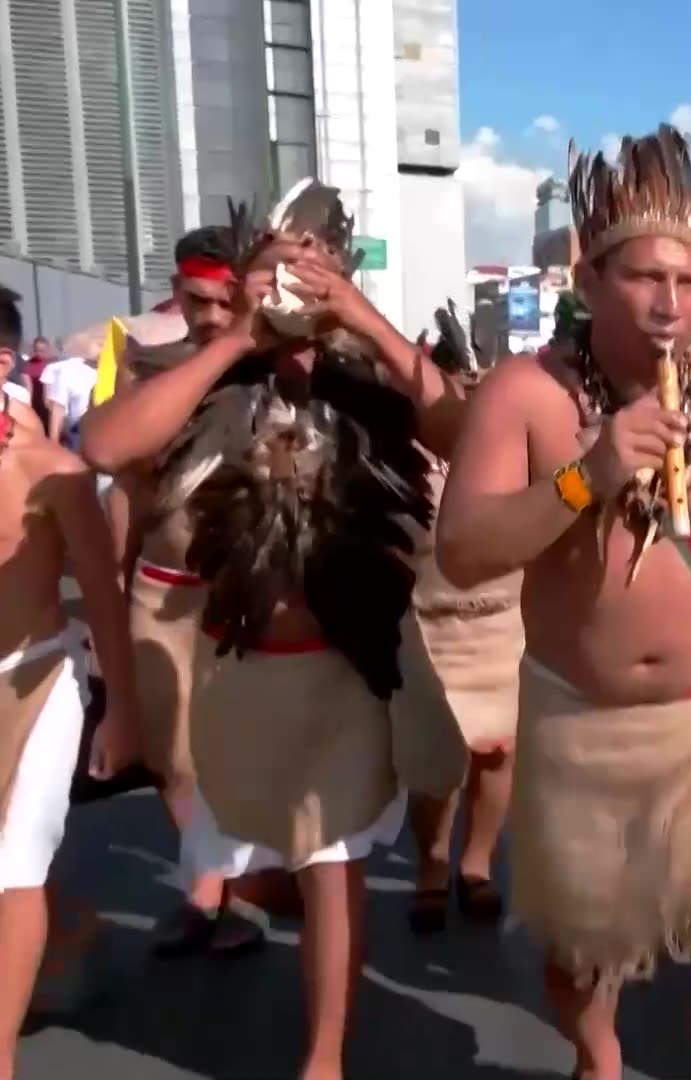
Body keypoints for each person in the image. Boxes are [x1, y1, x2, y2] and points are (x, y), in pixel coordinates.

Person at [434, 125, 691, 1080]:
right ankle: (599, 1056)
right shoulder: (524, 397)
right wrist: (588, 475)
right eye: (646, 279)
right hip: (579, 720)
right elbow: (463, 550)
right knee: (578, 955)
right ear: (589, 277)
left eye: (689, 283)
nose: (671, 303)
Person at [79, 182, 464, 1080]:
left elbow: (467, 426)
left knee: (333, 863)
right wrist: (239, 343)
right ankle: (233, 904)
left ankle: (321, 1057)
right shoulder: (206, 376)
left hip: (349, 673)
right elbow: (103, 446)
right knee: (257, 840)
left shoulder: (368, 377)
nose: (291, 290)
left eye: (308, 273)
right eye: (271, 275)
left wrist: (363, 319)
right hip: (239, 671)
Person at [82, 226, 272, 956]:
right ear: (177, 290)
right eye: (198, 300)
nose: (215, 317)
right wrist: (114, 582)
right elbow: (124, 484)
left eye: (228, 301)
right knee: (168, 756)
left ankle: (232, 889)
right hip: (160, 594)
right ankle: (209, 880)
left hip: (248, 598)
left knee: (245, 753)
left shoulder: (279, 372)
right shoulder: (150, 369)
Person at [0, 287, 138, 1080]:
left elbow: (104, 597)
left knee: (16, 863)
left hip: (39, 679)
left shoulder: (54, 471)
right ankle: (73, 929)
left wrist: (120, 709)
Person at [393, 309, 521, 935]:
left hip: (502, 622)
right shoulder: (395, 452)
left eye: (474, 388)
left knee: (497, 753)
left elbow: (564, 501)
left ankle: (477, 862)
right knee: (432, 761)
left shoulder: (511, 446)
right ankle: (433, 862)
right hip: (423, 623)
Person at [37, 350, 97, 449]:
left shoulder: (56, 368)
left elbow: (53, 405)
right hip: (85, 433)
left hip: (72, 426)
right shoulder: (75, 371)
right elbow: (57, 406)